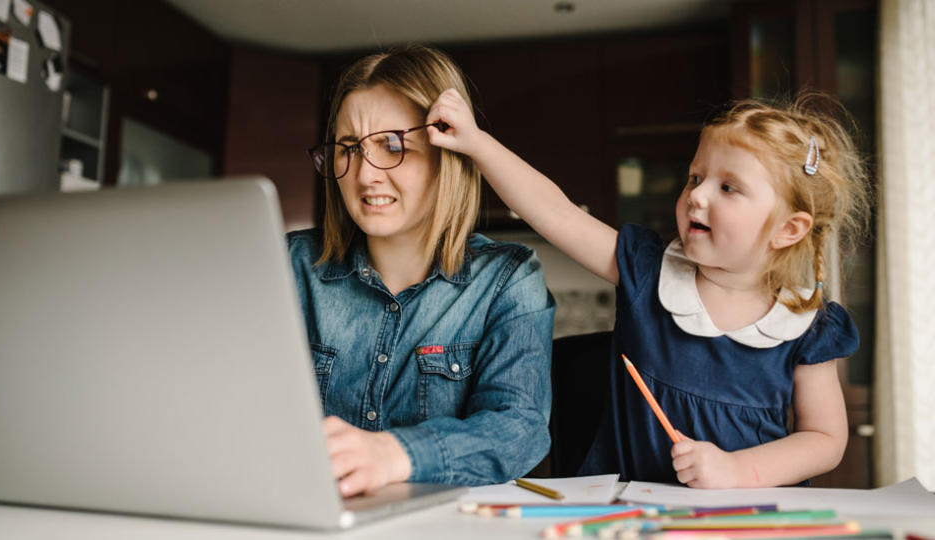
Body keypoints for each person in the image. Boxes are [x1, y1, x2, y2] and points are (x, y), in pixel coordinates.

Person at [427, 90, 871, 488]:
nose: (697, 196)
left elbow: (824, 440)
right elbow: (555, 213)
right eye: (695, 178)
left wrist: (737, 472)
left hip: (746, 520)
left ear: (788, 229)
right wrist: (476, 143)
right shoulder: (647, 271)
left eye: (728, 187)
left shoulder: (808, 324)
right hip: (628, 514)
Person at [288, 45, 555, 497]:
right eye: (348, 148)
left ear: (447, 154)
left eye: (393, 146)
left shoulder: (506, 280)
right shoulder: (291, 267)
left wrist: (395, 454)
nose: (365, 175)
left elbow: (519, 430)